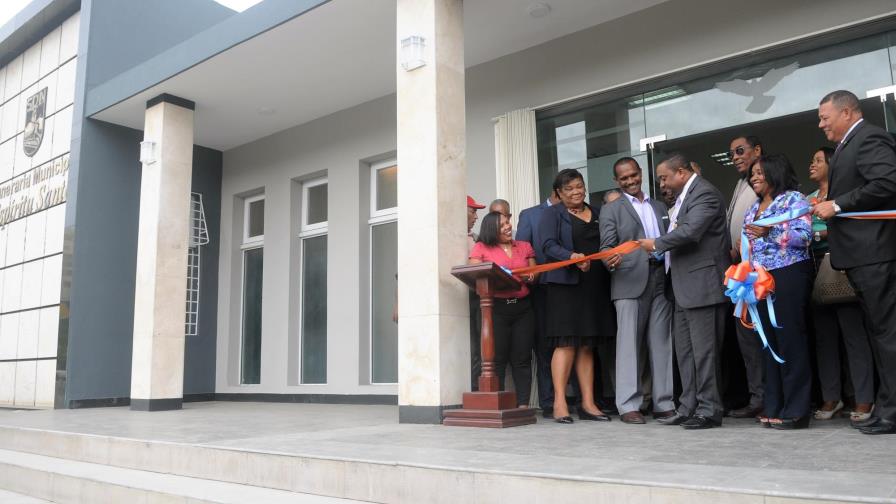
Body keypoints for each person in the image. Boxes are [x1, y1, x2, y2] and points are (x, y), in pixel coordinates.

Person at [814, 90, 896, 435]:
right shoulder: (850, 144)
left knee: (888, 334)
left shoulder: (869, 137)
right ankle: (887, 406)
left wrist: (838, 204)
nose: (821, 125)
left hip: (875, 253)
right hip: (862, 256)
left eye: (824, 117)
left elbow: (888, 181)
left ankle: (892, 413)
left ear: (847, 112)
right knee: (880, 334)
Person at [638, 153, 731, 429]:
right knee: (687, 353)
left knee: (705, 352)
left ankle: (709, 409)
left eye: (665, 178)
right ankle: (688, 406)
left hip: (702, 285)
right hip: (680, 287)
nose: (663, 184)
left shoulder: (705, 194)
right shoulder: (683, 199)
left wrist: (656, 244)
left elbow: (691, 232)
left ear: (681, 172)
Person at [600, 158, 675, 424]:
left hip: (661, 279)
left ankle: (663, 402)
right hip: (628, 280)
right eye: (624, 178)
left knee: (661, 342)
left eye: (633, 175)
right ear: (617, 181)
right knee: (629, 345)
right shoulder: (611, 209)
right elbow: (606, 248)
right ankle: (628, 405)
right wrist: (610, 259)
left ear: (641, 173)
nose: (630, 181)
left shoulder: (658, 205)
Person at [538, 168, 614, 424]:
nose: (576, 191)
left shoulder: (598, 212)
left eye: (579, 185)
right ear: (559, 193)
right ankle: (560, 402)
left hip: (594, 285)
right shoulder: (551, 214)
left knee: (587, 344)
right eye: (569, 188)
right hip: (565, 286)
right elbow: (547, 246)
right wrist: (570, 257)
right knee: (566, 342)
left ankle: (588, 403)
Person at [743, 154, 814, 429]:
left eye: (759, 172)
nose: (754, 177)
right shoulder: (753, 208)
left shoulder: (794, 199)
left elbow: (804, 237)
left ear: (775, 171)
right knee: (767, 342)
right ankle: (774, 405)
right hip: (759, 278)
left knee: (790, 339)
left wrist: (768, 233)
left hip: (789, 273)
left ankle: (796, 409)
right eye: (752, 174)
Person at [806, 147, 875, 422]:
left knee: (854, 336)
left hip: (843, 267)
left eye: (818, 160)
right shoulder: (807, 199)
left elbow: (858, 225)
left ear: (833, 165)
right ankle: (830, 397)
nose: (812, 165)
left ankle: (863, 399)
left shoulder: (847, 194)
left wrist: (823, 230)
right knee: (824, 338)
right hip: (814, 269)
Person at [469, 211, 537, 407]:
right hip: (495, 310)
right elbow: (474, 274)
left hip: (523, 309)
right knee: (496, 359)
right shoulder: (480, 248)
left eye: (508, 223)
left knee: (522, 358)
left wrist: (531, 276)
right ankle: (497, 404)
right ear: (492, 229)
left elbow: (534, 272)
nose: (508, 227)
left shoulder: (524, 246)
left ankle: (523, 404)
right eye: (502, 225)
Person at [725, 135, 765, 419]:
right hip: (741, 274)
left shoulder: (765, 183)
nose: (736, 157)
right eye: (732, 154)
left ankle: (767, 396)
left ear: (757, 151)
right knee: (746, 338)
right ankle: (758, 396)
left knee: (763, 336)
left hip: (763, 274)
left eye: (740, 151)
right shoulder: (741, 184)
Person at [516, 192, 561, 418]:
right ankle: (548, 401)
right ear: (556, 192)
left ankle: (572, 397)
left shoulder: (577, 212)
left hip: (571, 288)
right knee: (544, 346)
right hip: (541, 290)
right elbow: (522, 251)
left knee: (571, 343)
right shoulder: (530, 215)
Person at [467, 195, 486, 390]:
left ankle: (477, 391)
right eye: (473, 211)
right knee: (470, 348)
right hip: (455, 302)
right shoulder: (443, 237)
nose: (476, 216)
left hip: (479, 298)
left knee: (481, 348)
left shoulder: (477, 239)